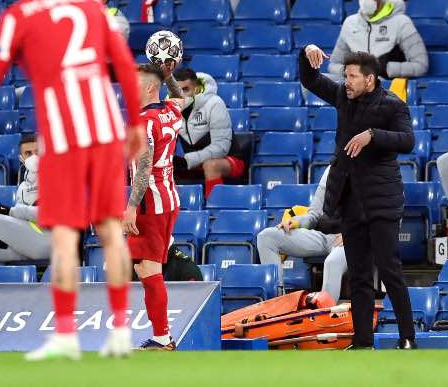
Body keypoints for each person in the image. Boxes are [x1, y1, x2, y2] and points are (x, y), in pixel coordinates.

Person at [0, 0, 145, 361]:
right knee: (110, 232)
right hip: (105, 129)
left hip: (64, 137)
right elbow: (123, 64)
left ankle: (67, 334)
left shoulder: (17, 17)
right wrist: (135, 123)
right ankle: (121, 329)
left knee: (66, 238)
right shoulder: (88, 4)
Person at [300, 45, 416, 350]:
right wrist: (306, 55)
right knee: (360, 276)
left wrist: (373, 135)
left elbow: (407, 141)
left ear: (370, 79)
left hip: (382, 201)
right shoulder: (342, 96)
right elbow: (311, 81)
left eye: (352, 76)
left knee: (390, 271)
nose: (346, 81)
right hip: (350, 203)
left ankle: (407, 337)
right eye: (345, 75)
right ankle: (363, 341)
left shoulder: (393, 105)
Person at [122, 63, 183, 351]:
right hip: (169, 200)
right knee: (148, 268)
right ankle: (162, 335)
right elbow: (181, 97)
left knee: (147, 269)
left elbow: (143, 169)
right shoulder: (170, 112)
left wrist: (132, 206)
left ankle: (162, 337)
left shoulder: (144, 121)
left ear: (148, 87)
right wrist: (168, 75)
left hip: (150, 204)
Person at [257, 166, 348, 303]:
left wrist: (352, 233)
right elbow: (314, 213)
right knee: (267, 237)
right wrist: (297, 221)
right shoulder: (332, 168)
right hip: (323, 236)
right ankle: (276, 303)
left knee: (332, 262)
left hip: (352, 239)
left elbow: (381, 216)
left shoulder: (374, 168)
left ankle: (323, 312)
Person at [327, 0, 428, 83]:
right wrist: (352, 71)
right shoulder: (350, 23)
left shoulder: (401, 22)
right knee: (311, 83)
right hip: (356, 84)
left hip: (385, 86)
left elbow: (421, 66)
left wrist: (386, 68)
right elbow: (333, 65)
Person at [171, 68, 245, 199]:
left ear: (196, 89)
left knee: (211, 165)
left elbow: (220, 148)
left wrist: (191, 159)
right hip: (194, 163)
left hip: (228, 160)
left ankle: (213, 210)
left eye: (185, 89)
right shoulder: (172, 110)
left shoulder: (214, 105)